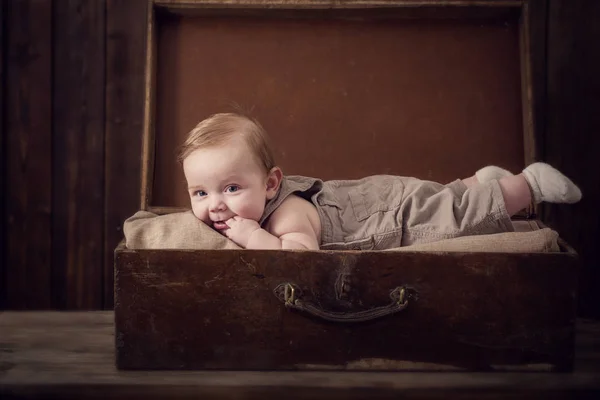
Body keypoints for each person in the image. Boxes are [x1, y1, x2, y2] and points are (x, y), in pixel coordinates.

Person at [178, 113, 582, 251]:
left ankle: (526, 185)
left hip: (390, 214)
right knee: (440, 198)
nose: (215, 204)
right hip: (373, 195)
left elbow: (298, 259)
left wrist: (254, 237)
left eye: (231, 188)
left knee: (449, 218)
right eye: (200, 192)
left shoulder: (286, 215)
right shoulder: (243, 208)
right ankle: (478, 181)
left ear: (270, 184)